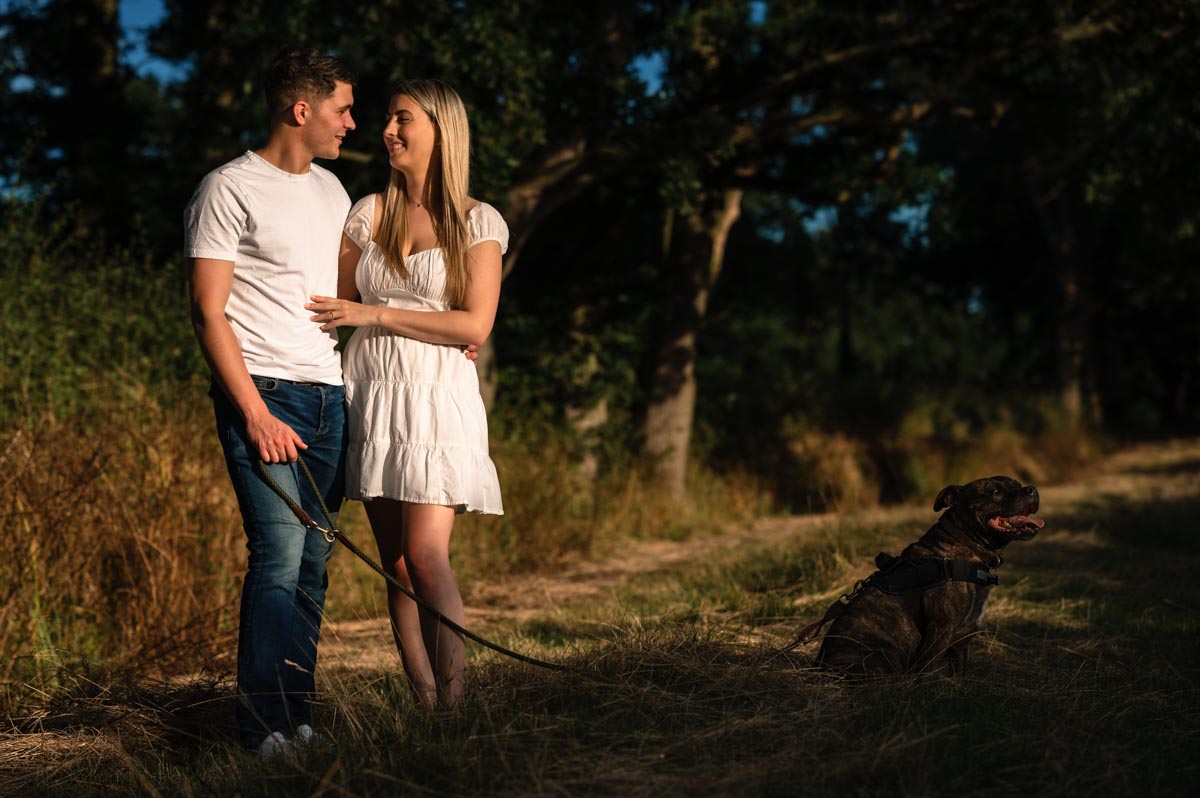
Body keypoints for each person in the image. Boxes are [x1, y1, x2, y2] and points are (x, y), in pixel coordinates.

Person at [305, 78, 507, 709]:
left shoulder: (478, 220)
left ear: (441, 129)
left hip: (434, 395)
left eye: (402, 119)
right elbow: (332, 299)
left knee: (425, 555)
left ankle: (456, 704)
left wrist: (375, 315)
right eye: (388, 119)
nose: (387, 131)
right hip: (371, 389)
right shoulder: (368, 213)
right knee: (394, 562)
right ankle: (425, 705)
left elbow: (474, 324)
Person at [184, 47, 357, 757]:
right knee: (279, 558)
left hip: (329, 397)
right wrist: (255, 414)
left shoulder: (335, 191)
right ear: (301, 108)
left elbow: (354, 295)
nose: (352, 122)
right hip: (265, 394)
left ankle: (298, 718)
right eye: (343, 108)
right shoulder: (228, 188)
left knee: (314, 563)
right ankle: (261, 733)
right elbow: (207, 311)